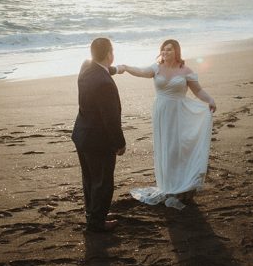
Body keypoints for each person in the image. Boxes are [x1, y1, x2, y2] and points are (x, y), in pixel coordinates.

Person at [118, 39, 216, 210]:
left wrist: (210, 100)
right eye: (163, 50)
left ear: (177, 51)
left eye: (169, 50)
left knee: (178, 148)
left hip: (180, 113)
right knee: (165, 148)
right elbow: (141, 71)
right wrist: (126, 67)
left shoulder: (186, 71)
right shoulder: (156, 68)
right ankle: (169, 186)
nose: (165, 52)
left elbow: (197, 90)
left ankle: (183, 185)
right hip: (161, 113)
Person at [71, 37, 126, 233]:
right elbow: (110, 119)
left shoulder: (85, 67)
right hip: (98, 140)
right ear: (110, 54)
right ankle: (97, 223)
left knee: (89, 179)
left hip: (81, 135)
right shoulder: (105, 84)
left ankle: (92, 214)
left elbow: (102, 68)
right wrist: (120, 143)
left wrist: (118, 69)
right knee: (103, 182)